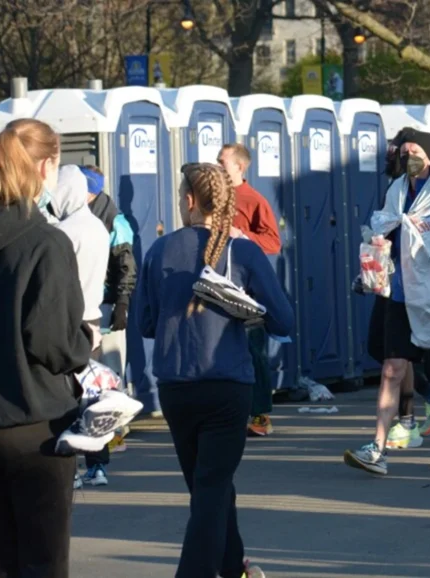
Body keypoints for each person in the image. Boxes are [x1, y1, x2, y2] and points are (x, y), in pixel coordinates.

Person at [134, 163, 292, 578]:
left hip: (175, 385)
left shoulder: (159, 250)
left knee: (209, 486)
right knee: (212, 488)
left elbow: (146, 324)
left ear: (188, 200)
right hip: (226, 384)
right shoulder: (242, 251)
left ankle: (232, 564)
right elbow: (285, 321)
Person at [0, 119, 92, 577]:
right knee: (43, 559)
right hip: (34, 424)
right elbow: (53, 342)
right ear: (47, 167)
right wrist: (85, 340)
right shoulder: (46, 241)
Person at [344, 131, 430, 474]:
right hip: (401, 294)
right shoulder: (396, 190)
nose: (410, 158)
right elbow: (387, 225)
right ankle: (377, 447)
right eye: (405, 152)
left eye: (416, 151)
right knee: (392, 369)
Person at [50, 166, 112, 488]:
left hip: (69, 321)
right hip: (94, 318)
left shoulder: (63, 232)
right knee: (94, 395)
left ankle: (70, 469)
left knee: (67, 397)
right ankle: (98, 465)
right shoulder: (99, 228)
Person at [218, 144, 282, 438]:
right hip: (216, 284)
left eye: (222, 162)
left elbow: (273, 242)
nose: (217, 166)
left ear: (239, 167)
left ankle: (260, 414)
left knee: (252, 348)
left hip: (246, 289)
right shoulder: (215, 196)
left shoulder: (253, 200)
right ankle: (228, 412)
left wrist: (241, 235)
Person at [82, 165, 138, 452]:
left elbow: (125, 266)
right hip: (90, 303)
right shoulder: (81, 214)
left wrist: (122, 304)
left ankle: (115, 432)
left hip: (107, 304)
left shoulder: (115, 221)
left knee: (111, 370)